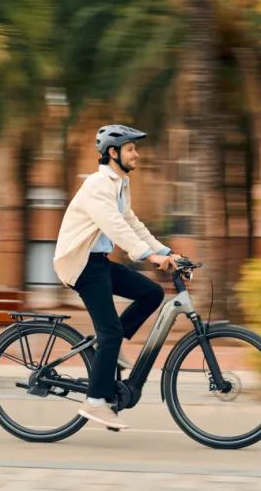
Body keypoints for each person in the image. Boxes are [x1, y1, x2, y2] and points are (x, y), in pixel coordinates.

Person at [53, 124, 181, 430]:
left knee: (151, 293)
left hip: (99, 262)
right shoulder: (99, 184)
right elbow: (114, 225)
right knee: (110, 333)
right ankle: (96, 401)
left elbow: (131, 223)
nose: (137, 154)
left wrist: (166, 250)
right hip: (82, 265)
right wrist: (148, 256)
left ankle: (107, 349)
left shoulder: (119, 184)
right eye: (131, 149)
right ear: (113, 152)